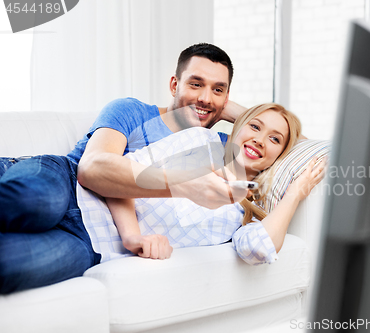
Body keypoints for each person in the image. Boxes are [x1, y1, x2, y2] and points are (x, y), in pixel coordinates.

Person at [0, 43, 249, 294]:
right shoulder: (132, 111)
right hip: (66, 181)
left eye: (218, 89)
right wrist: (185, 185)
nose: (205, 98)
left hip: (92, 239)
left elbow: (282, 137)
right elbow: (93, 168)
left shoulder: (221, 149)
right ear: (175, 85)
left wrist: (236, 112)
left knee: (10, 265)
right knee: (36, 203)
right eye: (196, 84)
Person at [77, 103, 326, 264]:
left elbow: (257, 249)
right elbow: (124, 173)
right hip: (82, 203)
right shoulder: (203, 145)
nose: (260, 140)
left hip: (94, 251)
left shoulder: (247, 208)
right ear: (238, 127)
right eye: (254, 126)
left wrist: (295, 193)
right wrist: (134, 237)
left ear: (280, 154)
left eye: (274, 139)